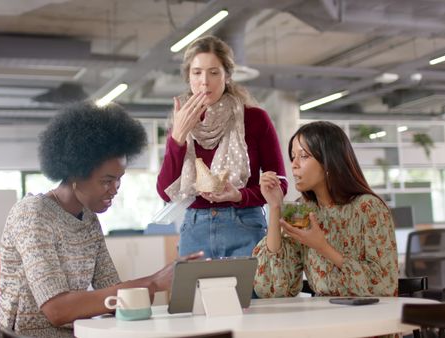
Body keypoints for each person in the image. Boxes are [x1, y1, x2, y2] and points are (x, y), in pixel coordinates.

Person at [0, 102, 203, 338]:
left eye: (119, 179)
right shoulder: (33, 214)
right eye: (106, 181)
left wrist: (158, 283)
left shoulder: (89, 220)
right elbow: (57, 310)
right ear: (76, 171)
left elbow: (111, 290)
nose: (115, 189)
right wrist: (153, 283)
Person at [156, 35, 287, 259]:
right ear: (188, 77)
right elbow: (165, 192)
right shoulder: (181, 122)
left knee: (249, 295)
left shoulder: (255, 119)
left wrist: (238, 195)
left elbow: (280, 185)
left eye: (213, 72)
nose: (204, 81)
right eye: (197, 72)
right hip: (194, 228)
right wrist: (177, 137)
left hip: (245, 224)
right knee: (195, 295)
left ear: (227, 76)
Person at [254, 121, 398, 298]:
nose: (294, 164)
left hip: (369, 317)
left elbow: (383, 286)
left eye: (304, 156)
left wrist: (322, 246)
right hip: (324, 315)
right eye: (293, 156)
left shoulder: (368, 208)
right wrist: (275, 207)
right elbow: (274, 289)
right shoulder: (303, 210)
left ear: (329, 161)